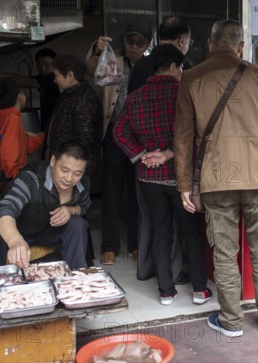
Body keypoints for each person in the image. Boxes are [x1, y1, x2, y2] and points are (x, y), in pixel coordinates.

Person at [174, 20, 258, 337]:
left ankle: (231, 321)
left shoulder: (191, 77)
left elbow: (183, 138)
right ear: (241, 46)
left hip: (216, 179)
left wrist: (185, 185)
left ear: (210, 45)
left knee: (225, 254)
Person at [113, 45, 211, 305]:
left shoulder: (134, 97)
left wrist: (142, 154)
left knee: (160, 232)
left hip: (149, 178)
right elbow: (197, 135)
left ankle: (166, 291)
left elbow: (119, 132)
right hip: (181, 178)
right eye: (181, 68)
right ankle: (200, 290)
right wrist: (169, 152)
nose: (181, 73)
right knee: (190, 232)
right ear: (172, 67)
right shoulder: (183, 94)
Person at [126, 15, 193, 285]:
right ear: (181, 41)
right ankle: (173, 274)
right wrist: (167, 152)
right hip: (174, 166)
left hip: (145, 167)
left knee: (149, 222)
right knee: (175, 226)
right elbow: (191, 128)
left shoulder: (140, 67)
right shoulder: (182, 80)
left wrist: (140, 153)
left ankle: (146, 270)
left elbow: (123, 124)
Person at [85, 21, 151, 265]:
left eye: (139, 43)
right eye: (130, 41)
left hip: (140, 134)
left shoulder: (150, 65)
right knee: (112, 190)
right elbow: (92, 70)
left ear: (147, 45)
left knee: (137, 190)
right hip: (114, 130)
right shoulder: (113, 59)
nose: (133, 47)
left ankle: (135, 243)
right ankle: (110, 245)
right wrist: (96, 50)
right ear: (124, 40)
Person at [0, 141, 92, 269]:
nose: (69, 178)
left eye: (77, 173)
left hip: (45, 231)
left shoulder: (82, 184)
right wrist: (16, 241)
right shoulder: (31, 178)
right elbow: (5, 208)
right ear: (53, 161)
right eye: (64, 170)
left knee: (78, 224)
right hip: (17, 228)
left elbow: (84, 206)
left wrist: (71, 210)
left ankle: (75, 278)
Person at [0, 48, 60, 156]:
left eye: (47, 65)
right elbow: (21, 77)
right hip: (48, 129)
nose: (43, 69)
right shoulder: (11, 118)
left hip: (54, 130)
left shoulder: (52, 80)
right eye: (39, 65)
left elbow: (27, 81)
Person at [0, 79, 44, 182]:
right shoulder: (12, 119)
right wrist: (16, 177)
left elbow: (21, 144)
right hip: (6, 176)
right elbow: (7, 152)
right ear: (19, 97)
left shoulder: (5, 117)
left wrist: (42, 138)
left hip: (2, 173)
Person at [48, 55, 102, 162]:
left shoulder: (84, 99)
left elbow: (84, 141)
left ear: (70, 75)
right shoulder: (69, 95)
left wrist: (71, 168)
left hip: (74, 168)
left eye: (56, 76)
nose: (54, 80)